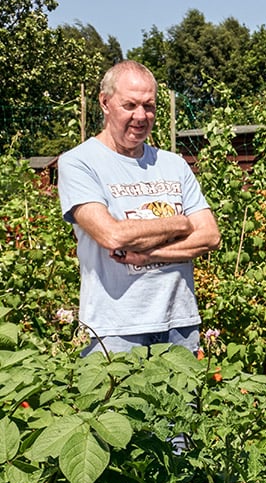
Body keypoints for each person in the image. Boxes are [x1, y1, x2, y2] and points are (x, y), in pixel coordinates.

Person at [58, 60, 220, 355]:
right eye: (130, 105)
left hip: (179, 324)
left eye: (149, 106)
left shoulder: (173, 164)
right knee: (116, 401)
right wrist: (180, 225)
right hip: (115, 329)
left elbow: (210, 235)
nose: (141, 116)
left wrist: (147, 255)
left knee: (183, 402)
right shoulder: (79, 163)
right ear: (105, 103)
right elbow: (112, 235)